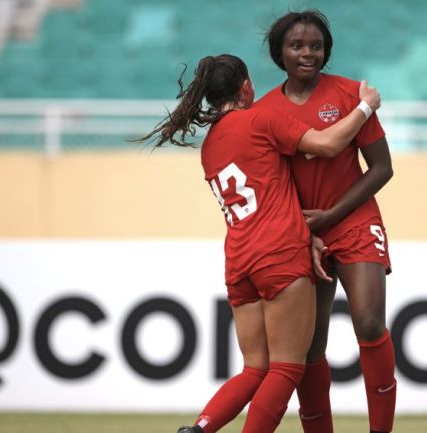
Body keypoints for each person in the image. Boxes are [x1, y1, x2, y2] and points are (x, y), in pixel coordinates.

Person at [136, 54, 380, 433]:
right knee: (287, 367)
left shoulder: (211, 145)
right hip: (279, 255)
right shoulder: (260, 119)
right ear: (246, 87)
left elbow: (264, 190)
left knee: (255, 369)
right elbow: (329, 144)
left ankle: (200, 428)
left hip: (239, 262)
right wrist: (366, 106)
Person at [257, 10, 396, 433]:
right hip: (301, 233)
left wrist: (334, 214)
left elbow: (382, 168)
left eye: (316, 46)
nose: (308, 53)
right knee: (309, 349)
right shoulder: (264, 111)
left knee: (370, 322)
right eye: (297, 45)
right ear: (279, 53)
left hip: (353, 219)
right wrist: (304, 230)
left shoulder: (351, 95)